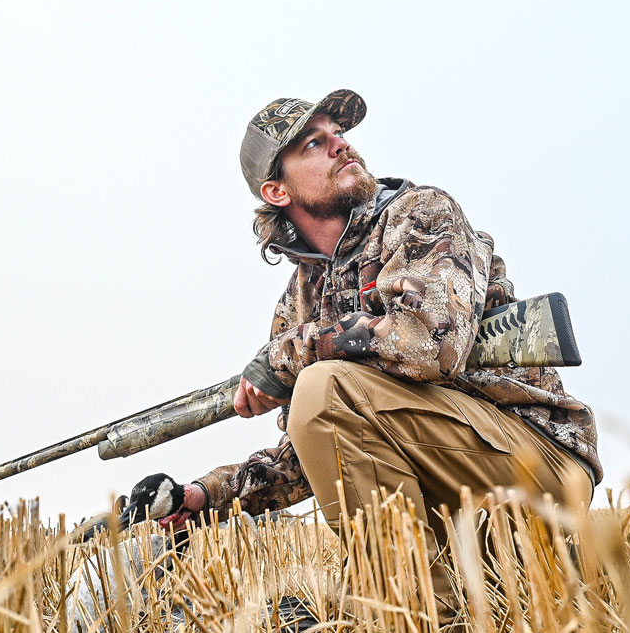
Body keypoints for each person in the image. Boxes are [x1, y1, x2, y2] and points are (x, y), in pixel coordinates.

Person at [157, 89, 601, 548]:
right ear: (276, 191)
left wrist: (287, 359)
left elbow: (429, 346)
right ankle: (429, 595)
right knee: (320, 399)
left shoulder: (420, 213)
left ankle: (406, 607)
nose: (340, 144)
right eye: (313, 143)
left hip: (538, 461)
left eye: (339, 132)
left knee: (322, 387)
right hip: (455, 488)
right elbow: (315, 449)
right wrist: (204, 495)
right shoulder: (299, 301)